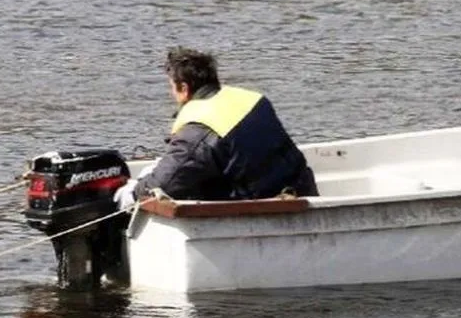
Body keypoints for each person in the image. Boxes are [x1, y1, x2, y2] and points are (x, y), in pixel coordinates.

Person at [118, 46, 318, 207]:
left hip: (265, 208)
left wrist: (132, 193)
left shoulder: (198, 129)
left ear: (184, 88)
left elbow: (165, 184)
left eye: (172, 87)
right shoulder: (251, 99)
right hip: (303, 191)